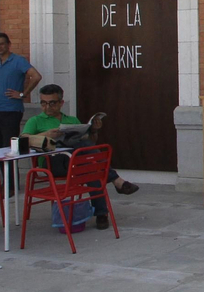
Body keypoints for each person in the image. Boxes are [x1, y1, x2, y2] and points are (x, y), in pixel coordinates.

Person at [22, 84, 137, 230]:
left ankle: (102, 214)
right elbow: (22, 140)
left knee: (90, 166)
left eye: (52, 103)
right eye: (43, 103)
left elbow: (90, 144)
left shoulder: (71, 119)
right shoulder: (36, 121)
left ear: (61, 103)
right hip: (52, 162)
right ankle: (116, 180)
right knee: (86, 155)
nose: (47, 107)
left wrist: (94, 130)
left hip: (75, 160)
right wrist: (46, 135)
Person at [0, 32, 40, 152]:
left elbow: (36, 76)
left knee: (9, 148)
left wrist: (23, 94)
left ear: (8, 45)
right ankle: (3, 171)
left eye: (2, 44)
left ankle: (11, 172)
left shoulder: (18, 60)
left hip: (11, 110)